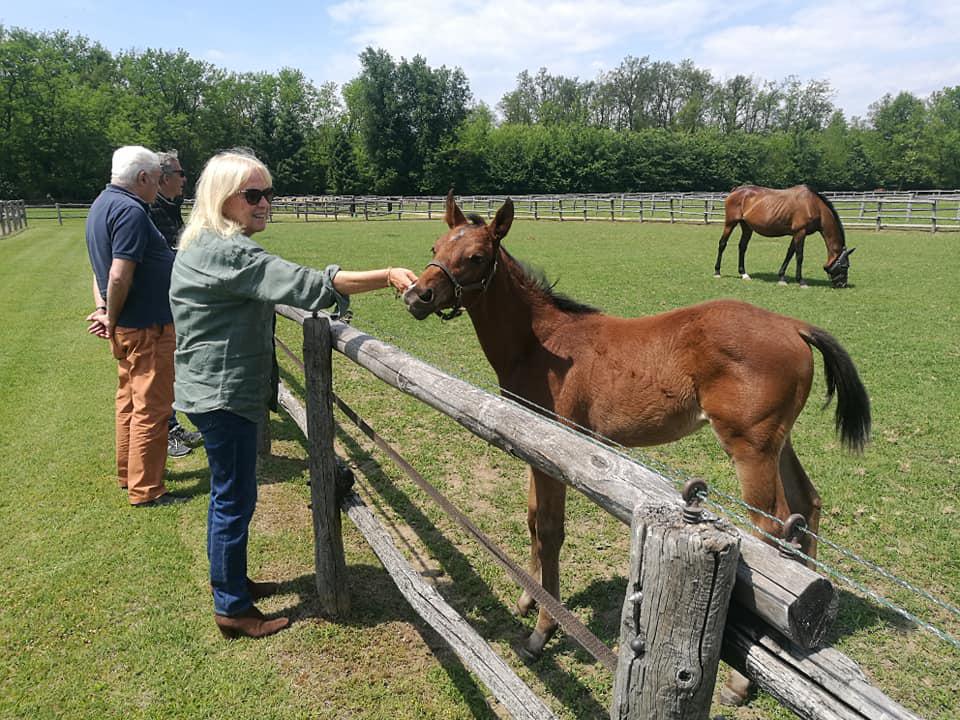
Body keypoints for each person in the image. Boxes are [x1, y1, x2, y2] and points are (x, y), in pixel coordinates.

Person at [169, 148, 417, 639]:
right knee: (233, 500)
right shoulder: (229, 252)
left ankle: (231, 583)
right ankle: (232, 608)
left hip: (207, 391)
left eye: (268, 193)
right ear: (224, 199)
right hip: (223, 394)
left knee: (230, 496)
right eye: (254, 195)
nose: (265, 204)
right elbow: (308, 285)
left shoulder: (203, 242)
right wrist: (386, 274)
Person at [85, 145, 185, 508]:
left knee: (128, 402)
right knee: (153, 409)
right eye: (157, 180)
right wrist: (111, 315)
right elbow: (117, 273)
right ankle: (147, 489)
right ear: (142, 178)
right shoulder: (130, 211)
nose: (159, 187)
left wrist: (106, 312)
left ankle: (129, 474)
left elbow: (98, 269)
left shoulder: (101, 205)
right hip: (147, 327)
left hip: (130, 325)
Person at [149, 149, 203, 458]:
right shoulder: (152, 208)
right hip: (158, 305)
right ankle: (166, 432)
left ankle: (171, 425)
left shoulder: (169, 206)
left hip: (170, 300)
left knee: (169, 370)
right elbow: (169, 252)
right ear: (165, 178)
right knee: (159, 373)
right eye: (181, 174)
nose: (185, 179)